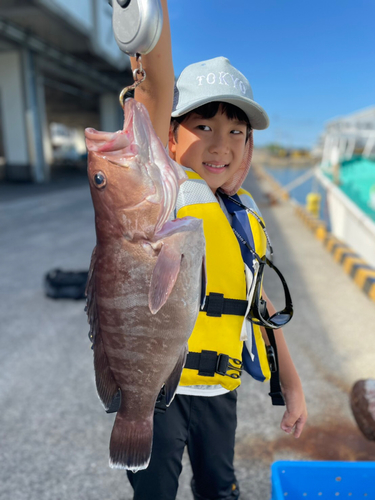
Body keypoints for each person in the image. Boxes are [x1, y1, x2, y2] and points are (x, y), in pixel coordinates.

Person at [127, 1, 307, 499]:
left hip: (219, 391)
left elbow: (259, 306)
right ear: (169, 136)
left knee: (219, 488)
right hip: (157, 390)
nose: (220, 145)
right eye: (203, 127)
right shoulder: (163, 187)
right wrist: (145, 17)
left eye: (236, 132)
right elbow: (155, 84)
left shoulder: (246, 216)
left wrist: (290, 384)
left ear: (248, 147)